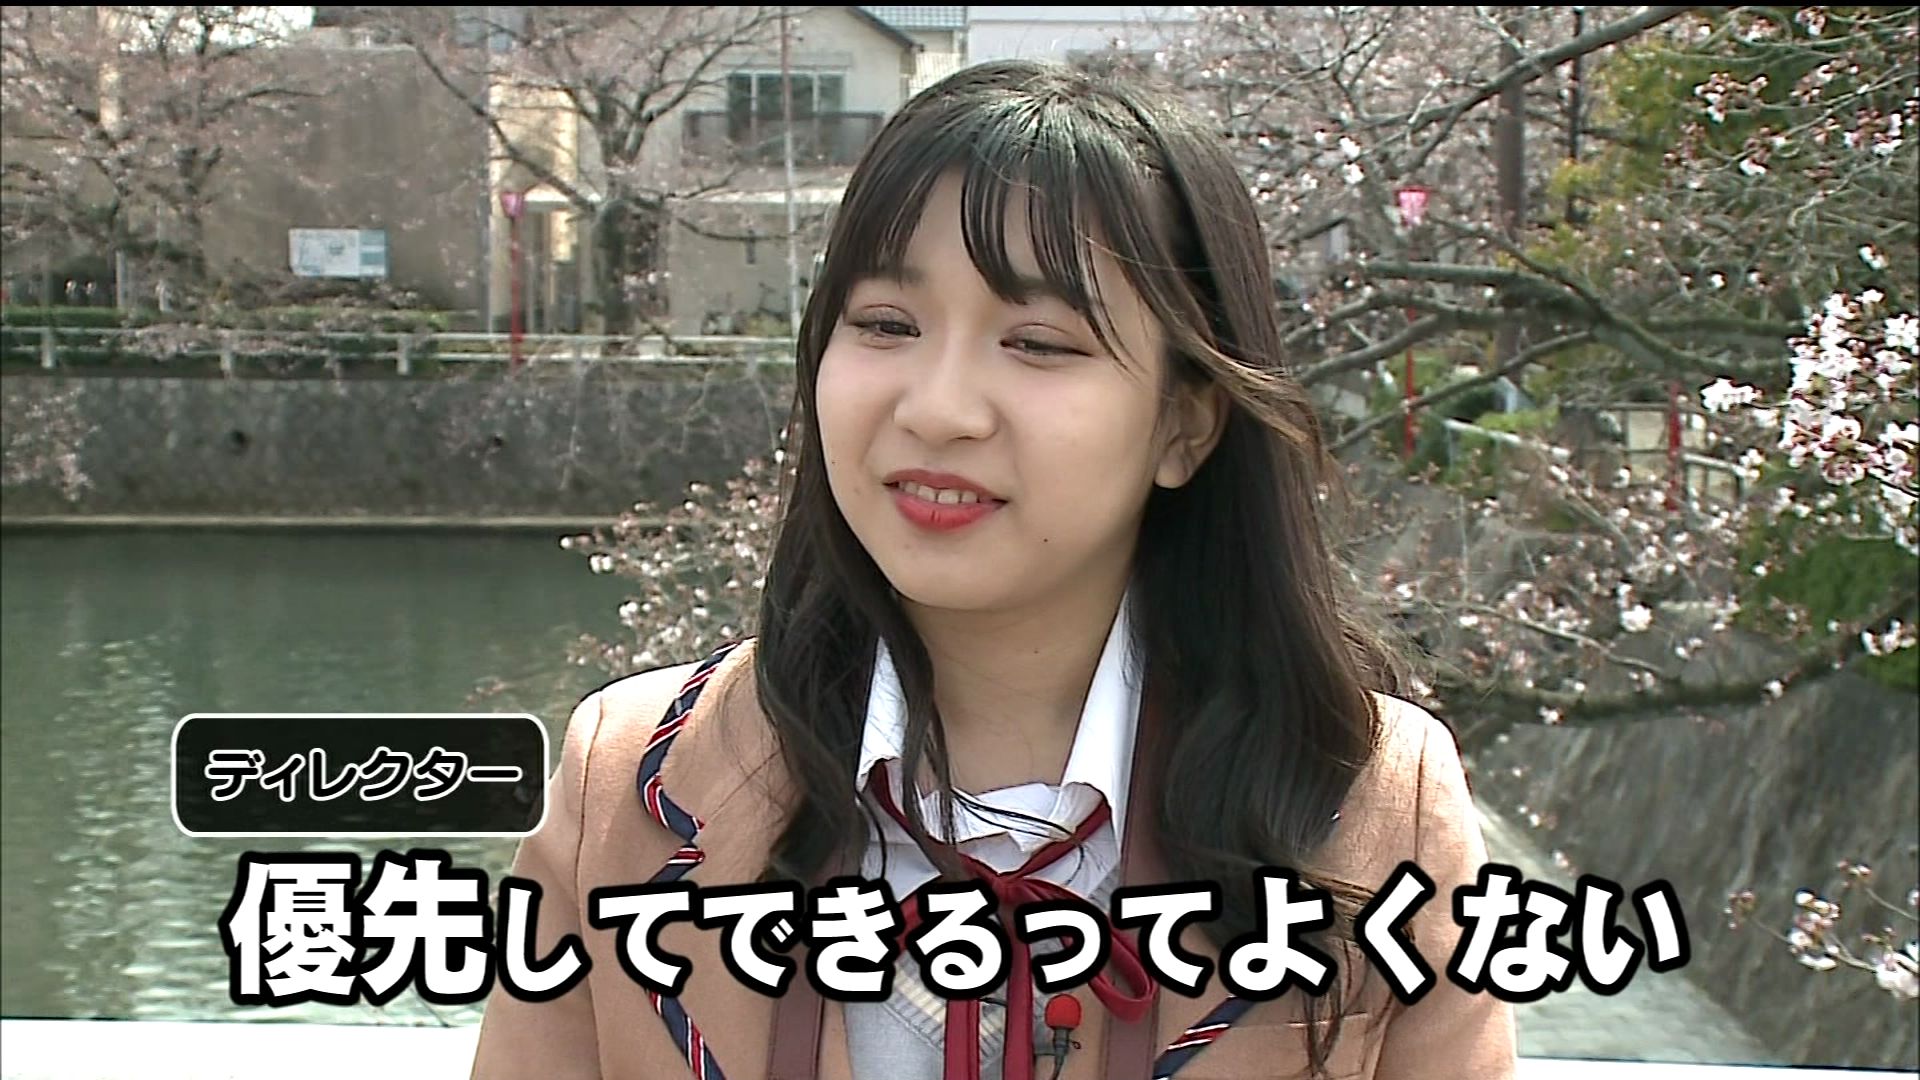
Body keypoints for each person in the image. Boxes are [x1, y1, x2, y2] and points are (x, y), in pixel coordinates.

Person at [470, 58, 1516, 1080]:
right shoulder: (629, 782)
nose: (937, 409)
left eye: (1038, 343)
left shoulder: (1375, 802)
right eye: (886, 324)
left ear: (1186, 423)